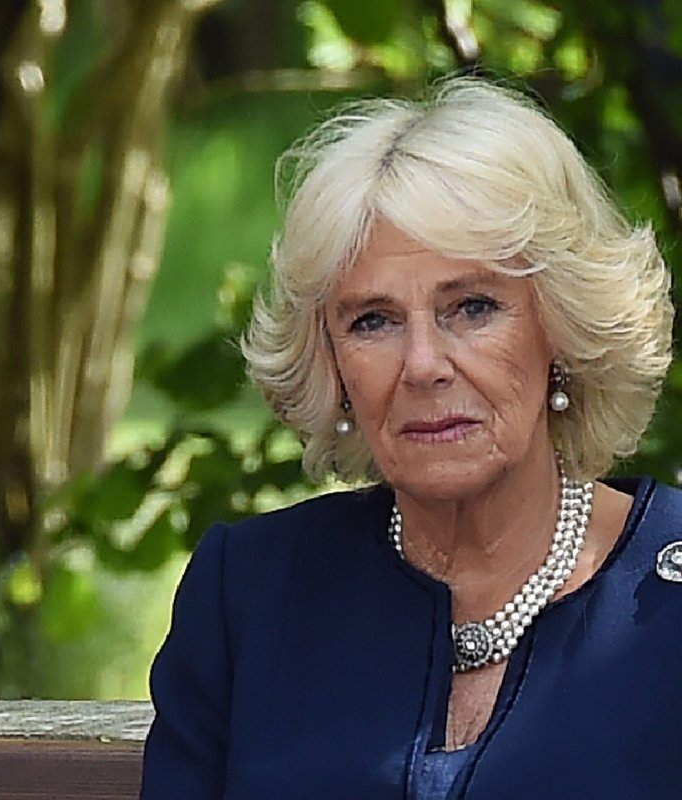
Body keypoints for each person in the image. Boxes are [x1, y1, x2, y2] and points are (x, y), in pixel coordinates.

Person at [139, 77, 679, 798]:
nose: (423, 364)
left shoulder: (663, 606)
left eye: (473, 307)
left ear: (564, 328)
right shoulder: (248, 593)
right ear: (331, 360)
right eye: (373, 321)